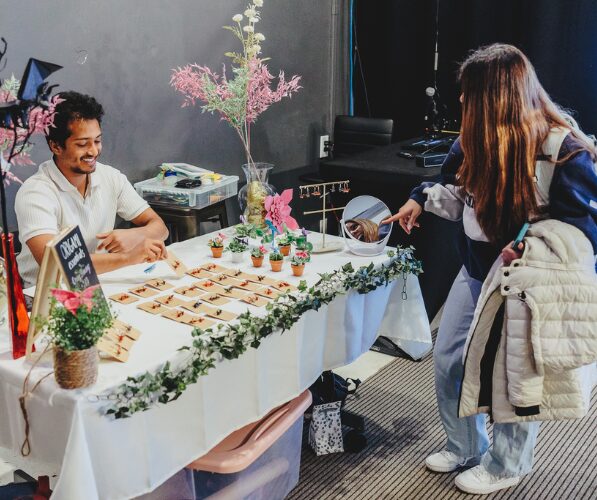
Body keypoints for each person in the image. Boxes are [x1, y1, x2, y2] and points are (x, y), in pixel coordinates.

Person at [382, 44, 597, 495]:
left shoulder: (565, 150)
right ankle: (464, 446)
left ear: (497, 97)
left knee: (514, 375)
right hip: (476, 273)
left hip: (524, 286)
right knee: (448, 361)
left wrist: (534, 246)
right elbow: (453, 189)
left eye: (468, 95)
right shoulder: (471, 140)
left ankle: (507, 464)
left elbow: (584, 231)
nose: (460, 102)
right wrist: (419, 200)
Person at [15, 91, 169, 288]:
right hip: (49, 299)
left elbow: (160, 228)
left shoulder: (110, 177)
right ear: (55, 146)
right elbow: (54, 263)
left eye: (97, 141)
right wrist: (128, 257)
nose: (94, 151)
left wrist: (135, 236)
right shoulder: (35, 193)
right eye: (82, 144)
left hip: (103, 285)